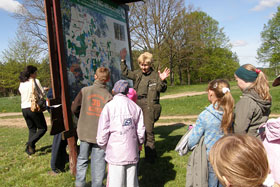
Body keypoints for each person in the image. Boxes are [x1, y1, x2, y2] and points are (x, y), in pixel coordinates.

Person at [120, 48, 170, 163]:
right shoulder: (137, 74)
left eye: (146, 65)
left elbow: (161, 89)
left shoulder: (155, 75)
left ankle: (151, 158)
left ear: (150, 64)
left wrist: (162, 80)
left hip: (149, 106)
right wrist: (122, 60)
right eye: (142, 65)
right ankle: (134, 155)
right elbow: (125, 72)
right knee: (135, 130)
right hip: (137, 104)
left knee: (148, 131)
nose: (143, 67)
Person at [97, 80, 145, 187]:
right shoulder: (135, 107)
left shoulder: (109, 107)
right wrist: (138, 144)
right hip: (132, 153)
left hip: (115, 155)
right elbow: (141, 133)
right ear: (127, 91)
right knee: (131, 183)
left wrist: (105, 147)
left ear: (114, 90)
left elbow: (102, 134)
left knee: (115, 183)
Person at [187, 79, 234, 187]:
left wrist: (191, 133)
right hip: (227, 156)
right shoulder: (230, 112)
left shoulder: (205, 115)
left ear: (211, 92)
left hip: (212, 158)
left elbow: (192, 141)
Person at [71, 67, 112, 187]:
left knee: (82, 159)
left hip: (84, 131)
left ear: (95, 76)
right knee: (98, 162)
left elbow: (74, 108)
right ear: (108, 79)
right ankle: (97, 185)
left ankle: (79, 183)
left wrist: (82, 116)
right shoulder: (108, 96)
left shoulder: (85, 90)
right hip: (99, 134)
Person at [234, 64, 271, 137]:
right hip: (260, 141)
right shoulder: (263, 96)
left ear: (244, 79)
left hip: (249, 144)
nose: (237, 83)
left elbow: (239, 131)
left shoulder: (246, 101)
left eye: (237, 80)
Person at [19, 65, 48, 155]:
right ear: (31, 73)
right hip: (33, 108)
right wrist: (45, 89)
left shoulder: (22, 83)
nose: (36, 74)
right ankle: (30, 143)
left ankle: (30, 150)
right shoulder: (35, 81)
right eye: (35, 72)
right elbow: (41, 94)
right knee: (43, 128)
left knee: (32, 129)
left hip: (24, 108)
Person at [46, 88, 68, 175]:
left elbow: (48, 106)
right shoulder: (55, 89)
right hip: (61, 119)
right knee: (59, 142)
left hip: (63, 118)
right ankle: (56, 166)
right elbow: (50, 103)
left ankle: (59, 163)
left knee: (61, 143)